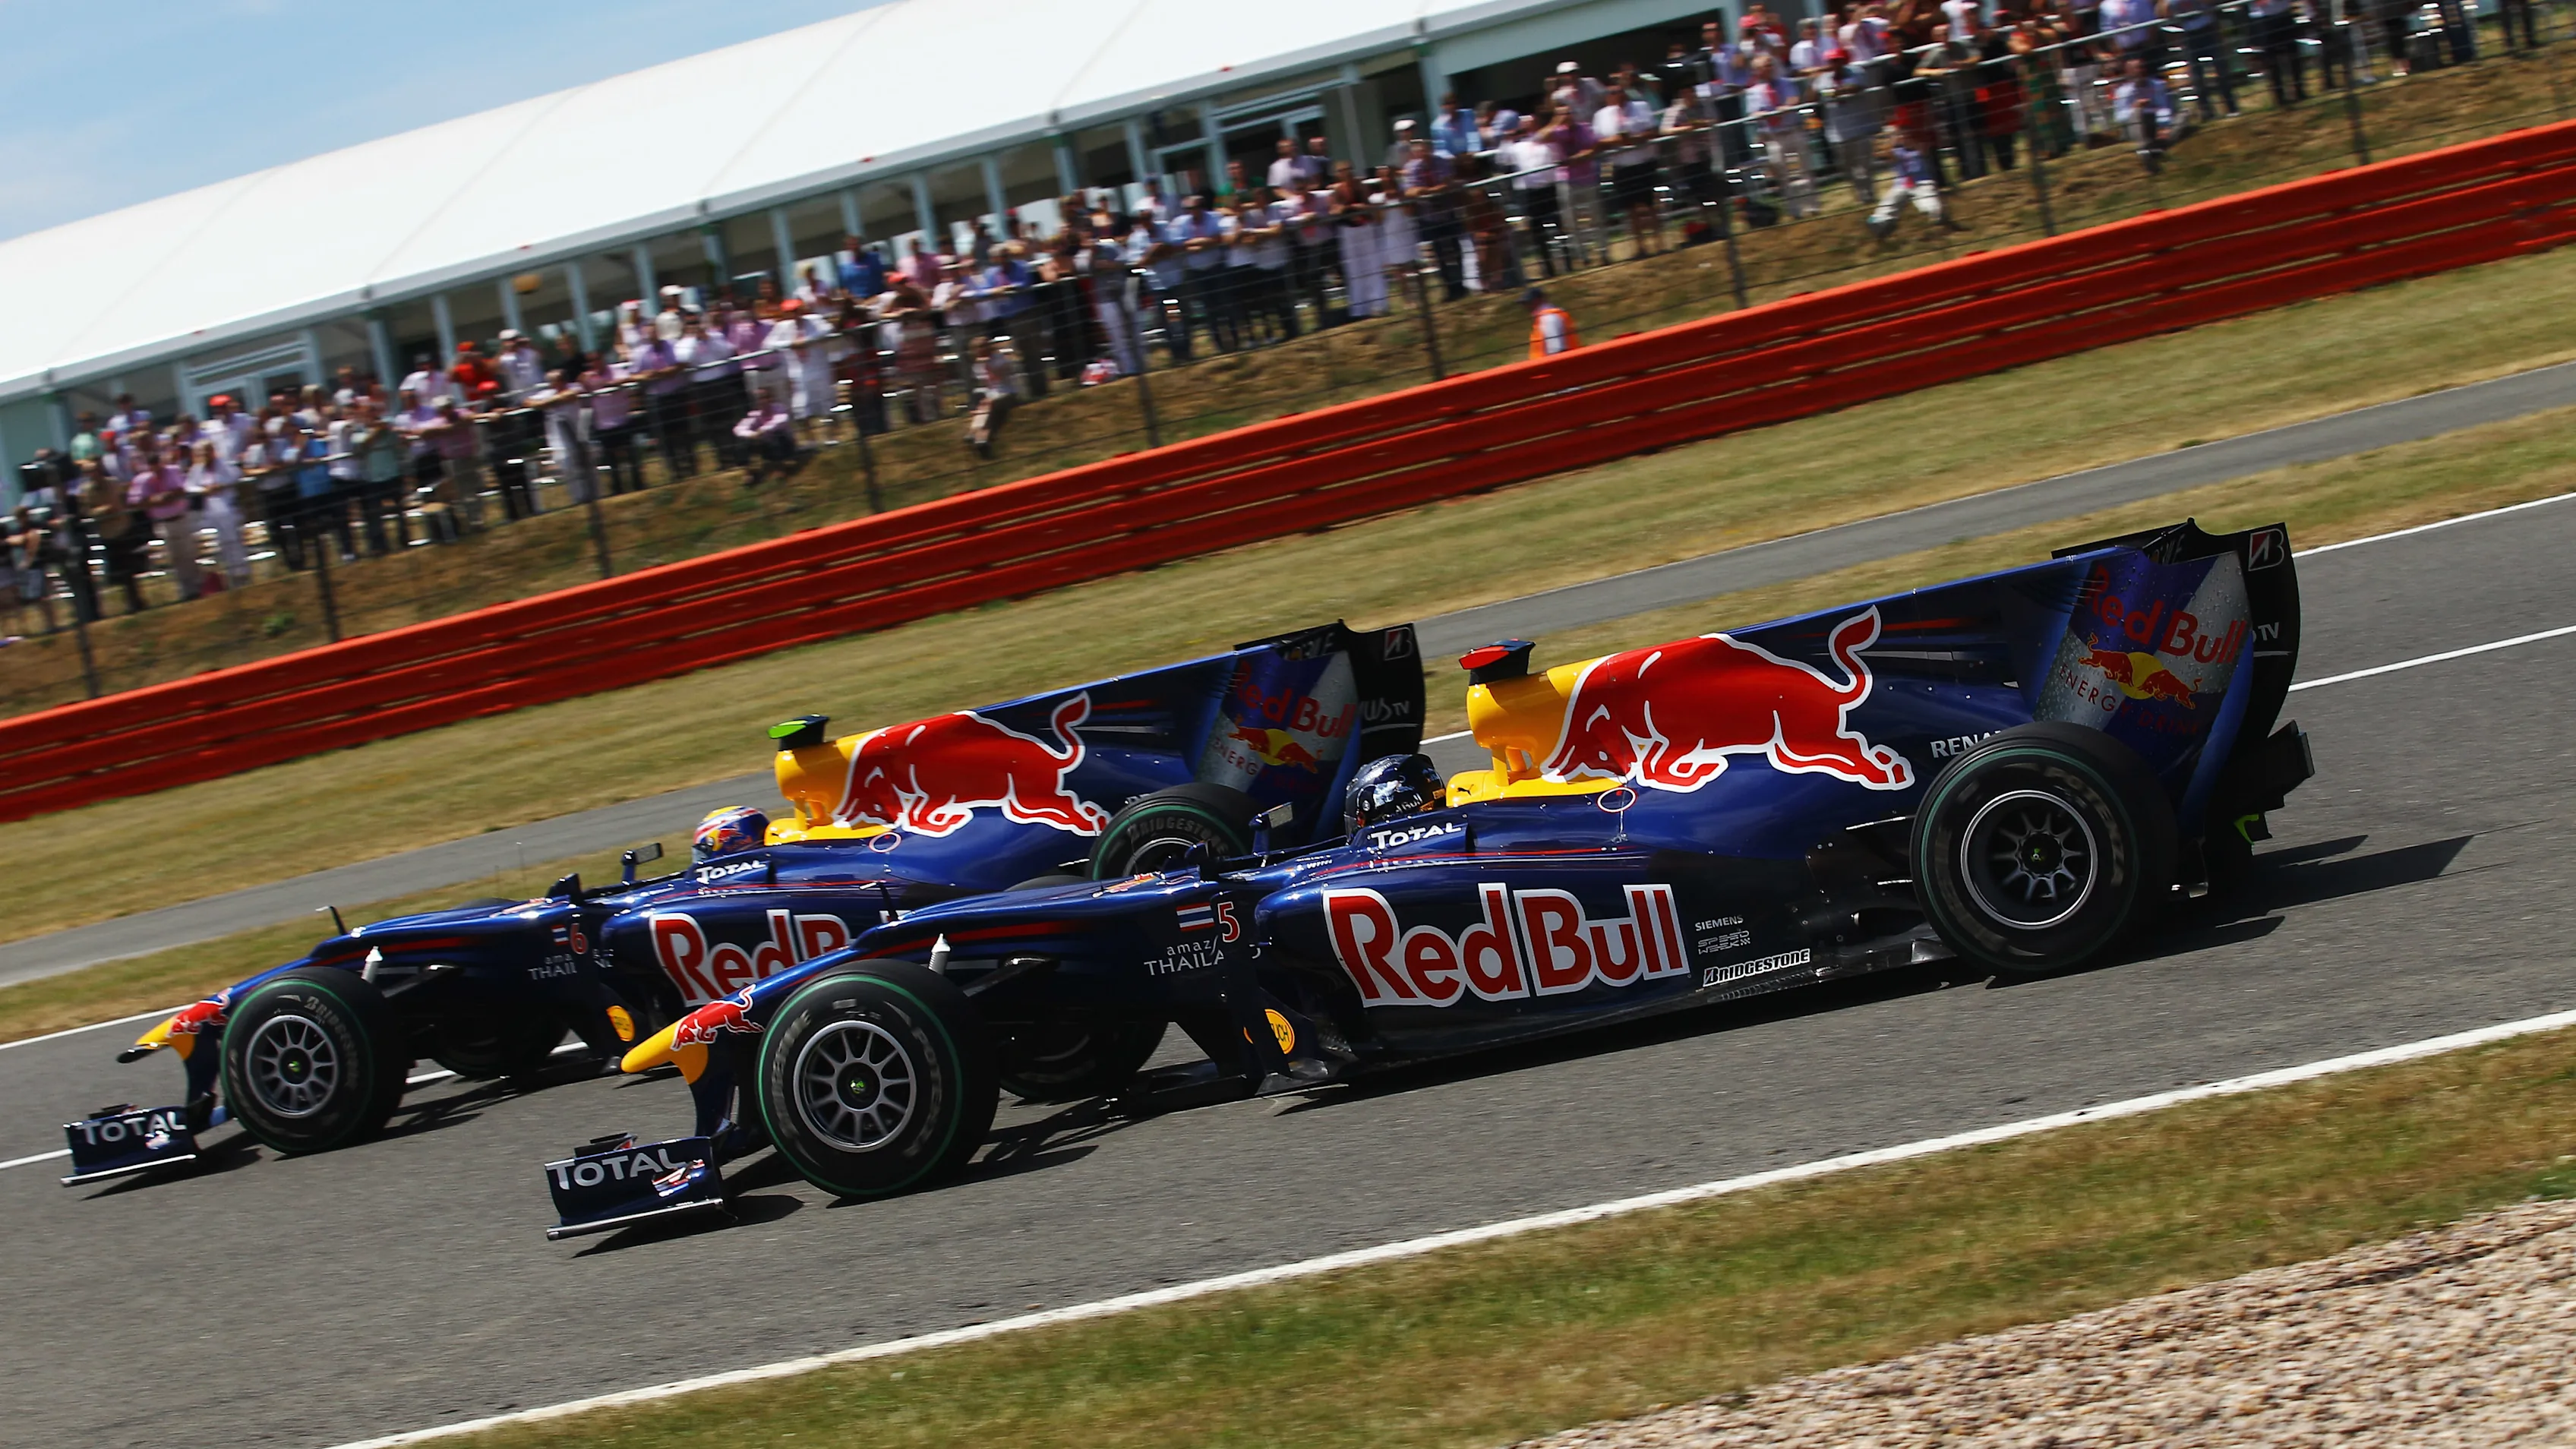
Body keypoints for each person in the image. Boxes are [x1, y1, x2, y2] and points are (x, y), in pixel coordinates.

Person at [185, 439, 250, 589]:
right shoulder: (197, 469)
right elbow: (189, 486)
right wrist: (204, 490)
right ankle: (222, 579)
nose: (206, 455)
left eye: (208, 451)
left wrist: (222, 485)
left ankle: (240, 575)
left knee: (233, 541)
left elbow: (236, 475)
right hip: (210, 510)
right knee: (216, 544)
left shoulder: (224, 464)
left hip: (227, 506)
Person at [2111, 54, 2178, 170]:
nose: (2140, 71)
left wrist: (2164, 127)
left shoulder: (2158, 86)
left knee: (2184, 115)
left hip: (2158, 124)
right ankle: (2150, 147)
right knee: (2139, 114)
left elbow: (2166, 108)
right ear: (2129, 72)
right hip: (2138, 127)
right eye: (2136, 68)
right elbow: (2119, 117)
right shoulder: (2122, 92)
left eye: (2142, 67)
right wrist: (2135, 107)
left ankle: (2152, 148)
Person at [964, 335, 1021, 459]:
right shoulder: (978, 366)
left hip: (1008, 393)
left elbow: (1002, 375)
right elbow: (988, 386)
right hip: (993, 395)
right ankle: (982, 440)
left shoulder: (999, 360)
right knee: (986, 406)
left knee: (988, 405)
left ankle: (974, 432)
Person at [1524, 287, 1580, 358]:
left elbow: (1556, 350)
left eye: (1527, 303)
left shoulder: (1548, 318)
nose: (1526, 307)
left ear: (1537, 301)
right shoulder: (1548, 316)